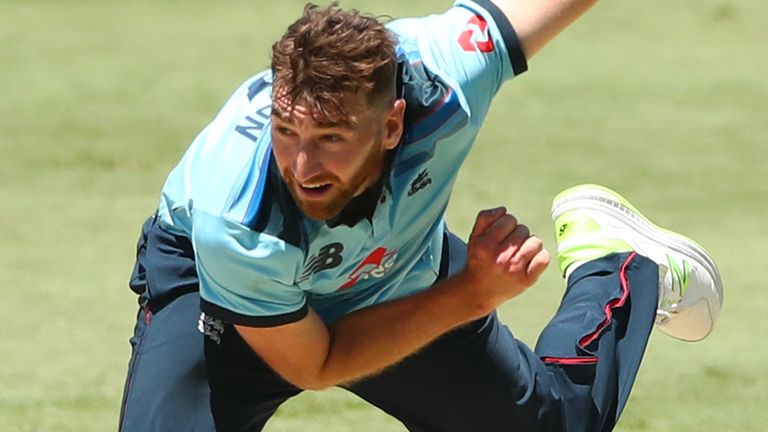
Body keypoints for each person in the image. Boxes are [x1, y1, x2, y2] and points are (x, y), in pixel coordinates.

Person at [119, 0, 724, 431]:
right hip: (225, 295)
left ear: (391, 125)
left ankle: (615, 263)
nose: (302, 165)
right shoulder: (240, 220)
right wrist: (472, 293)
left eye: (330, 136)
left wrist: (469, 291)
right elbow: (318, 363)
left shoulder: (451, 67)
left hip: (395, 272)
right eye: (286, 131)